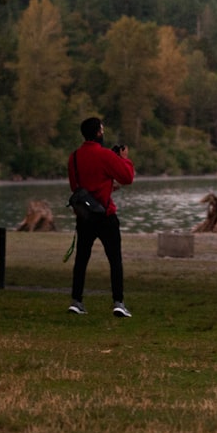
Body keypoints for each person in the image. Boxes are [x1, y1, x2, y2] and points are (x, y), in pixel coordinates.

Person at [67, 117, 135, 317]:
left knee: (81, 259)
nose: (103, 133)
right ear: (98, 133)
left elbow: (76, 187)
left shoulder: (74, 157)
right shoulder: (106, 155)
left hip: (85, 216)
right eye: (102, 130)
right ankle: (118, 302)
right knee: (115, 260)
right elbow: (127, 177)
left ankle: (76, 300)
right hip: (105, 215)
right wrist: (123, 158)